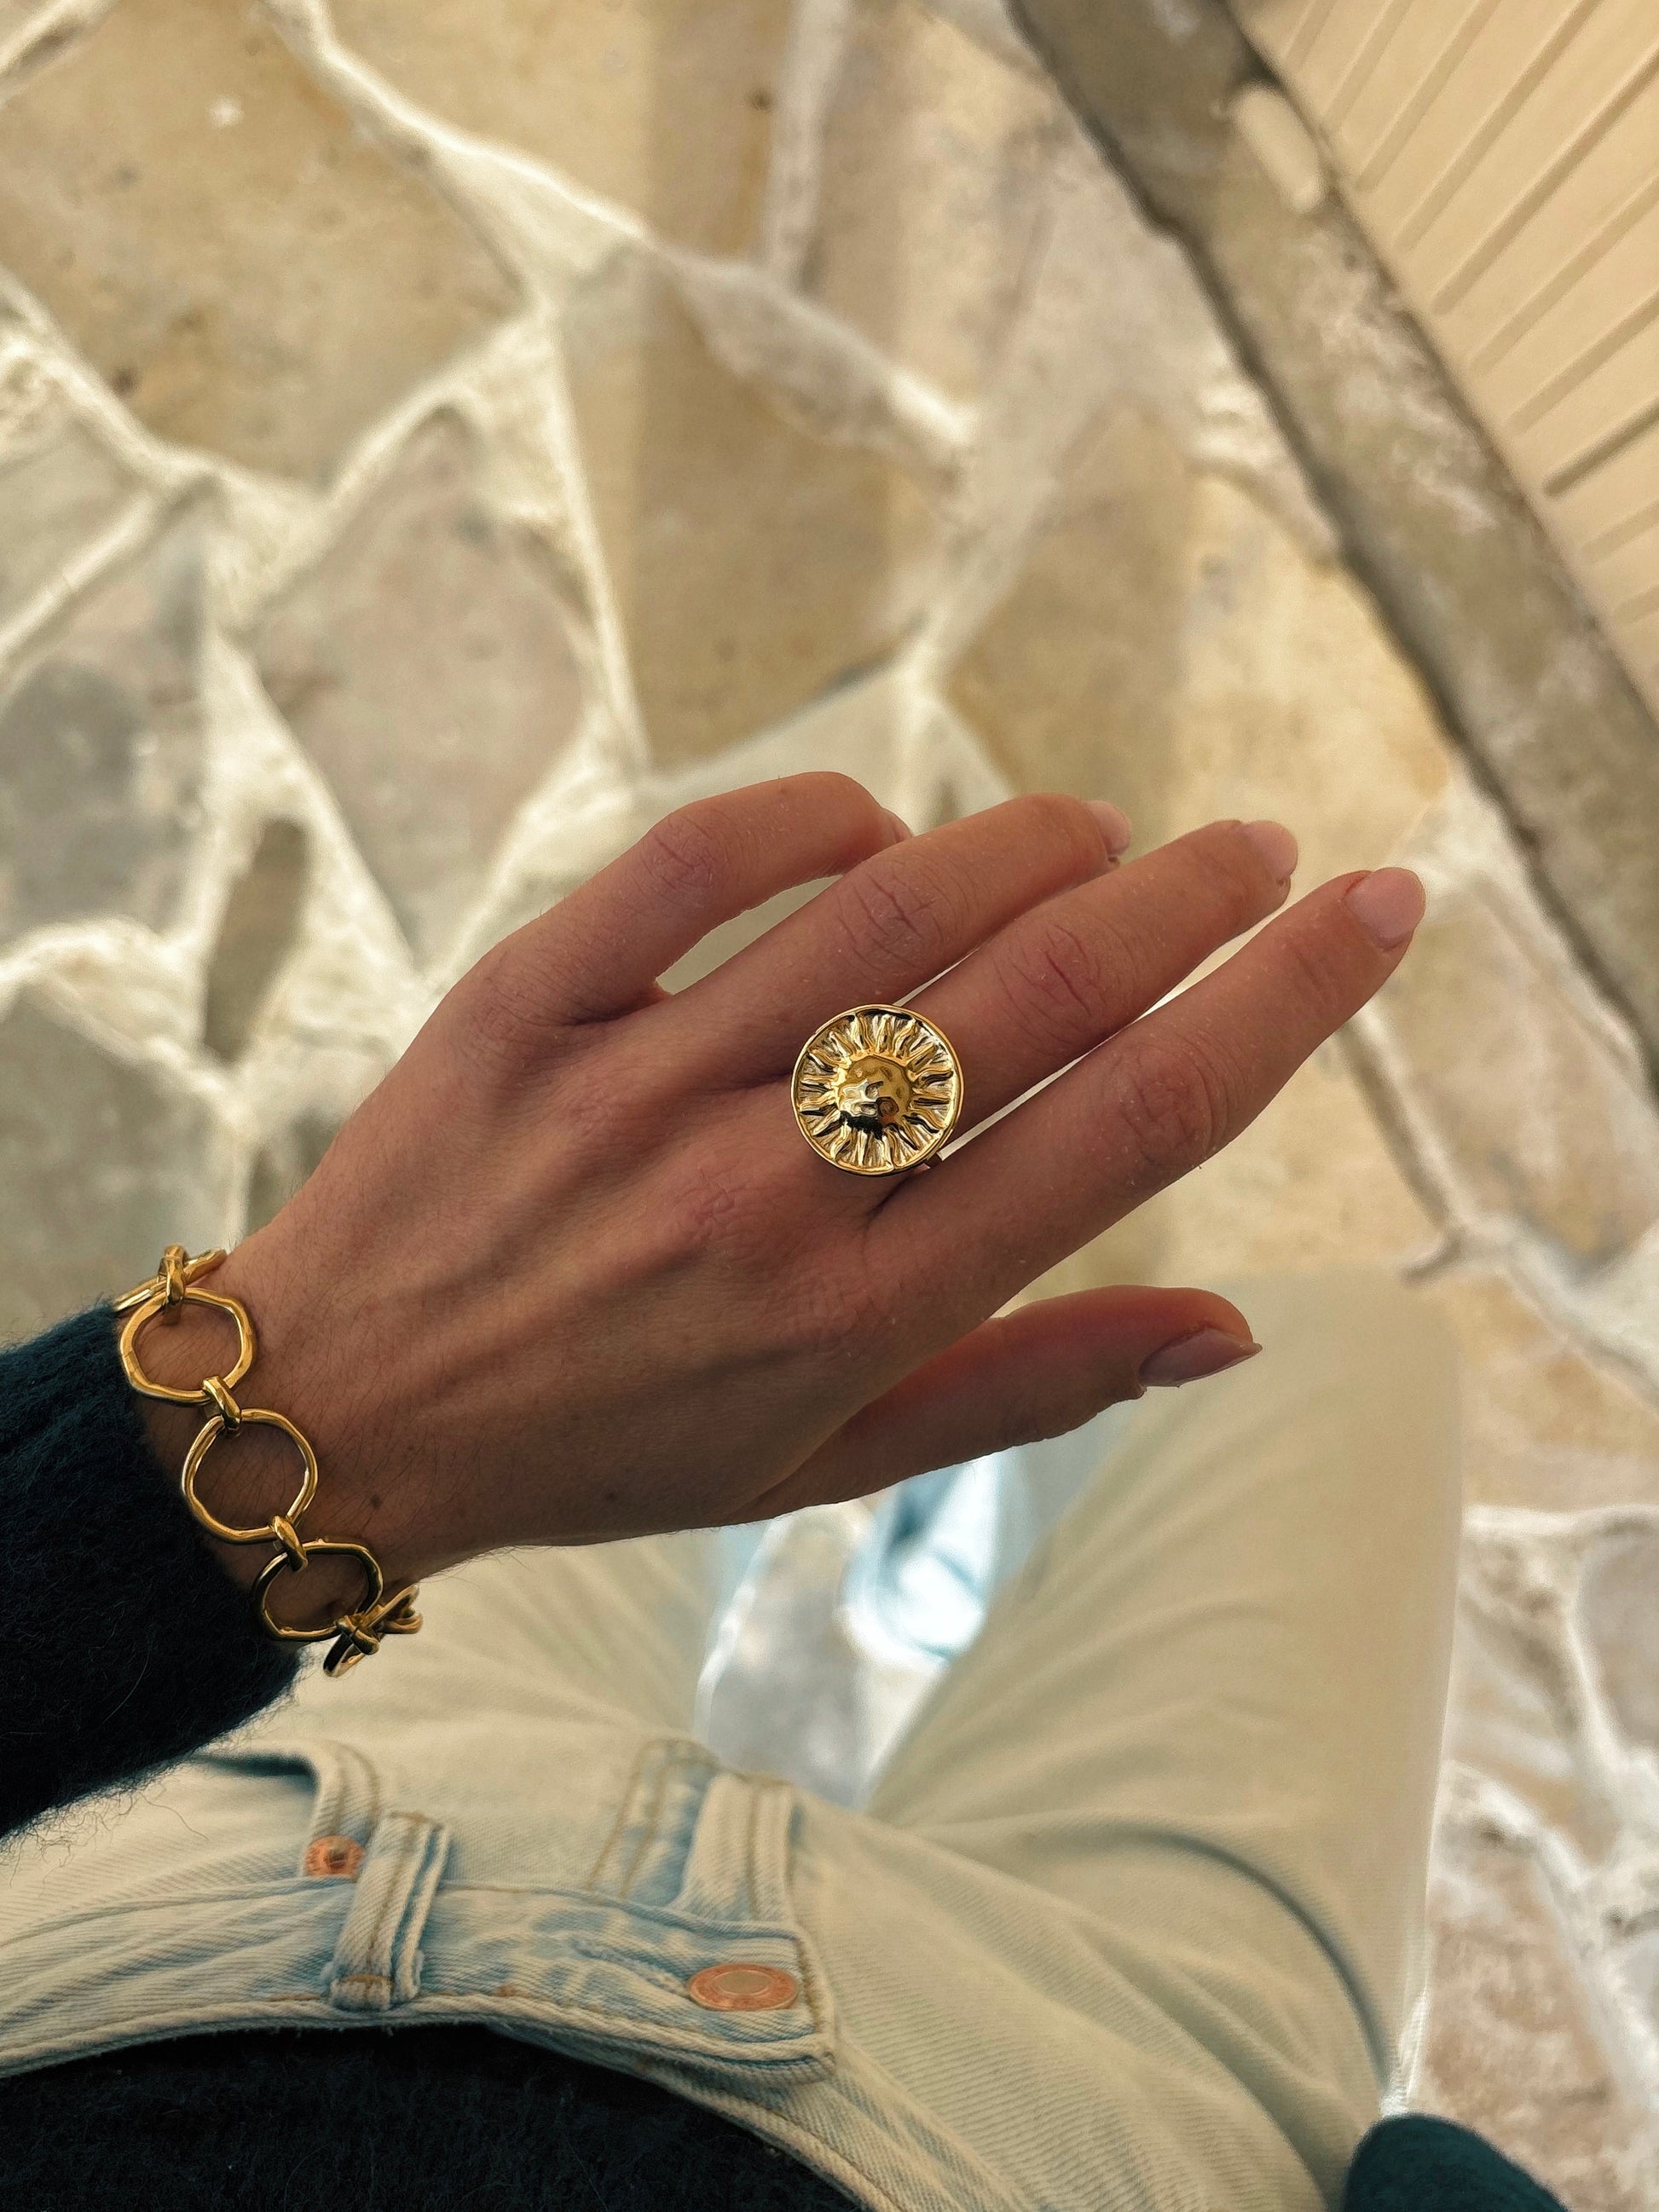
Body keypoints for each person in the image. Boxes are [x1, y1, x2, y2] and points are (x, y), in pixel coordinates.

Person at [0, 778, 1567, 2209]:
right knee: (1337, 1350)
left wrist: (304, 1409)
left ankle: (927, 1526)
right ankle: (942, 1556)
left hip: (188, 1904)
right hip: (1061, 2124)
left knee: (740, 1321)